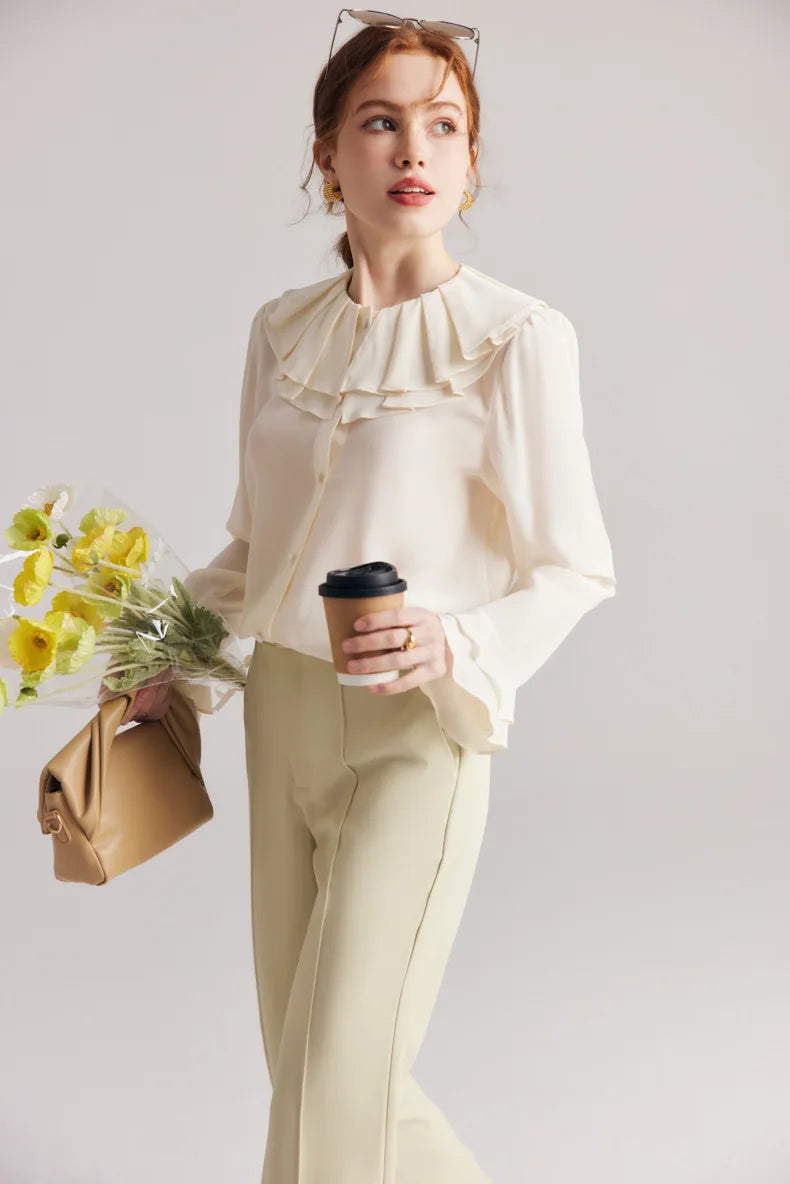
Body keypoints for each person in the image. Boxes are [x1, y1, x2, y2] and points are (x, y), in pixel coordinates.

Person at [138, 14, 616, 1183]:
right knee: (322, 1080)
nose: (416, 147)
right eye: (382, 120)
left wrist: (453, 640)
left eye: (444, 126)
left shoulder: (516, 340)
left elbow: (576, 564)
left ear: (468, 161)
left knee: (331, 1090)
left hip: (415, 734)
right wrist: (166, 652)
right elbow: (259, 545)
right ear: (328, 152)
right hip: (280, 718)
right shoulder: (281, 331)